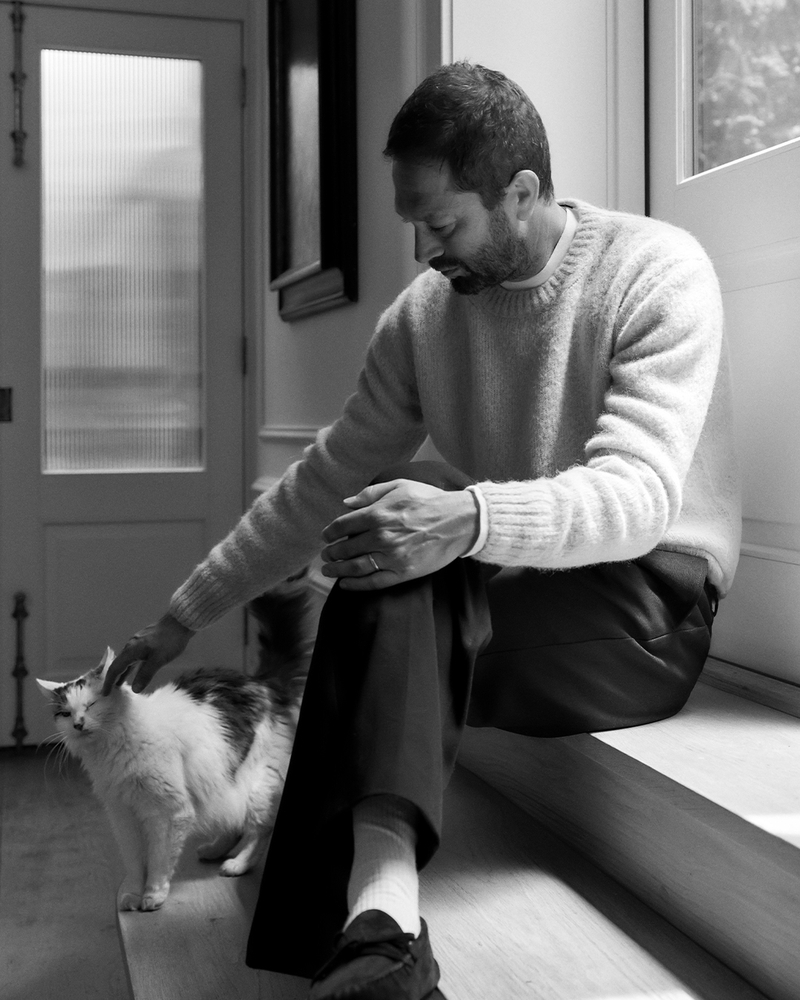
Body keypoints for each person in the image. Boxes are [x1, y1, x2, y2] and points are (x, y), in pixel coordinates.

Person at [103, 62, 741, 1000]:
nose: (421, 250)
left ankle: (370, 925)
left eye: (442, 224)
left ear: (520, 193)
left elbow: (639, 494)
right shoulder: (426, 317)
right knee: (379, 533)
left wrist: (471, 515)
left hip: (649, 602)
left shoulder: (655, 269)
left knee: (417, 538)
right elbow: (320, 482)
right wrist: (179, 618)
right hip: (519, 585)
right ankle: (386, 927)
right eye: (412, 222)